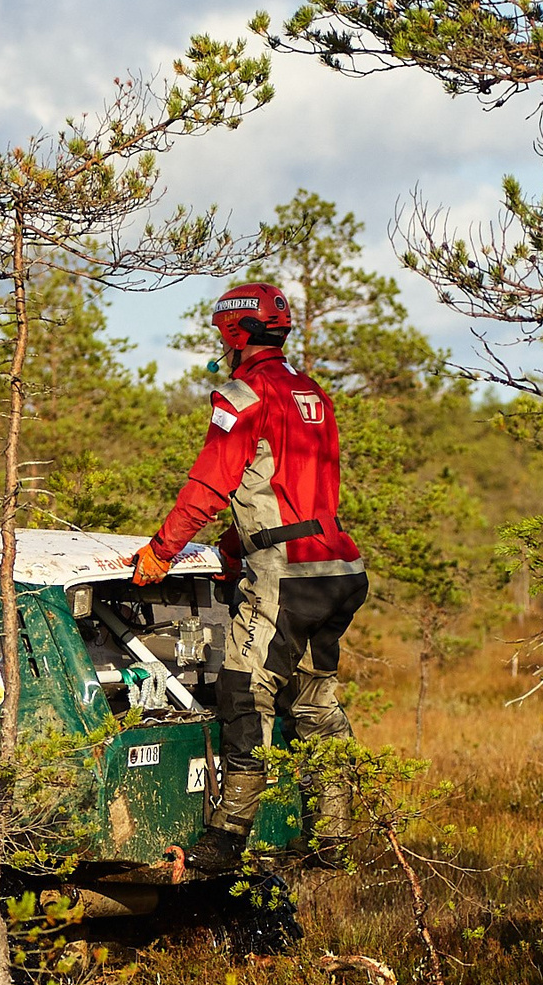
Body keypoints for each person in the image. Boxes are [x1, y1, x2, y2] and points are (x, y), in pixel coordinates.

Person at [130, 282, 367, 867]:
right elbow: (290, 490)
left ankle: (227, 838)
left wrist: (163, 548)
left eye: (220, 336)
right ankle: (335, 837)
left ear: (235, 334)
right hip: (338, 567)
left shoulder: (243, 393)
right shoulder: (314, 395)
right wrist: (234, 549)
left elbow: (212, 480)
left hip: (285, 574)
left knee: (243, 689)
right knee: (315, 699)